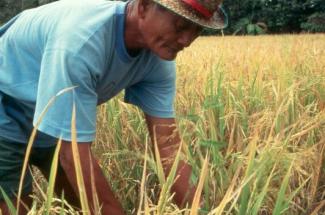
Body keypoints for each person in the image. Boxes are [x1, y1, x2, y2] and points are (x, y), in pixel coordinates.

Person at [0, 0, 227, 214]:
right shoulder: (81, 42)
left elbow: (168, 146)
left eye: (197, 30)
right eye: (180, 26)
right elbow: (74, 156)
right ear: (144, 6)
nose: (186, 40)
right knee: (16, 204)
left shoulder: (158, 58)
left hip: (47, 114)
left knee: (78, 205)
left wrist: (200, 209)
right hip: (5, 106)